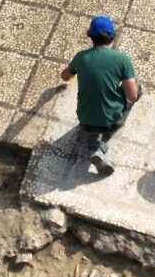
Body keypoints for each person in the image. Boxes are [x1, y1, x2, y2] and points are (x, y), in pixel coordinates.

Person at [60, 16, 140, 176]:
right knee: (136, 85)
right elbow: (132, 96)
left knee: (92, 123)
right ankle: (98, 147)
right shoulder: (122, 59)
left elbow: (64, 76)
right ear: (112, 36)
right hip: (111, 122)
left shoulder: (81, 57)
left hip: (84, 120)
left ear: (90, 36)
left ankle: (95, 145)